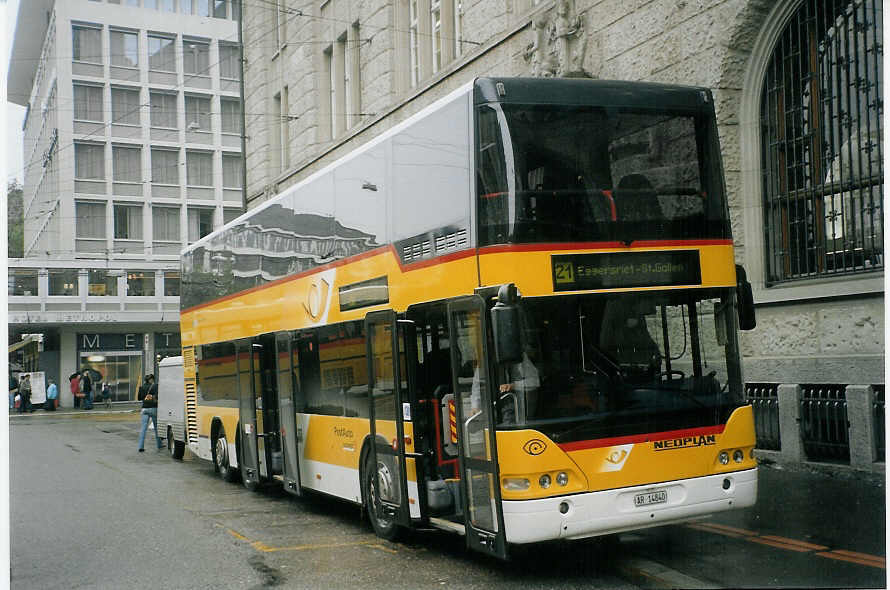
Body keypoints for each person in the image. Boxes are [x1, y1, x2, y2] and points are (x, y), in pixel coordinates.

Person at [136, 374, 162, 452]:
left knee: (143, 428)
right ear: (151, 379)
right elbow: (158, 397)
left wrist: (146, 397)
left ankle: (141, 446)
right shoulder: (155, 386)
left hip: (144, 409)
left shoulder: (141, 387)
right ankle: (159, 444)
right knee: (157, 428)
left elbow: (139, 398)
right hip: (153, 408)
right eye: (153, 379)